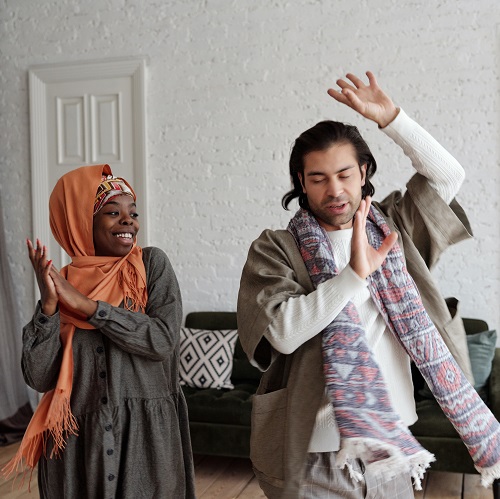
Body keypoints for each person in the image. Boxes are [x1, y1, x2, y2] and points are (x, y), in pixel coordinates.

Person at [237, 71, 500, 498]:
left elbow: (449, 177)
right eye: (318, 178)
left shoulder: (396, 229)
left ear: (363, 172)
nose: (334, 190)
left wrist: (393, 119)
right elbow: (282, 335)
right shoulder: (276, 247)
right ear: (301, 183)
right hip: (311, 452)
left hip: (390, 444)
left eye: (344, 174)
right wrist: (354, 276)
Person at [3, 164, 195, 498]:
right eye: (112, 212)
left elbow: (162, 340)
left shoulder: (151, 266)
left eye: (133, 213)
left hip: (145, 442)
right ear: (79, 223)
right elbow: (39, 378)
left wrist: (88, 306)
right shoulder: (61, 285)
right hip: (78, 447)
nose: (129, 221)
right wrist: (48, 308)